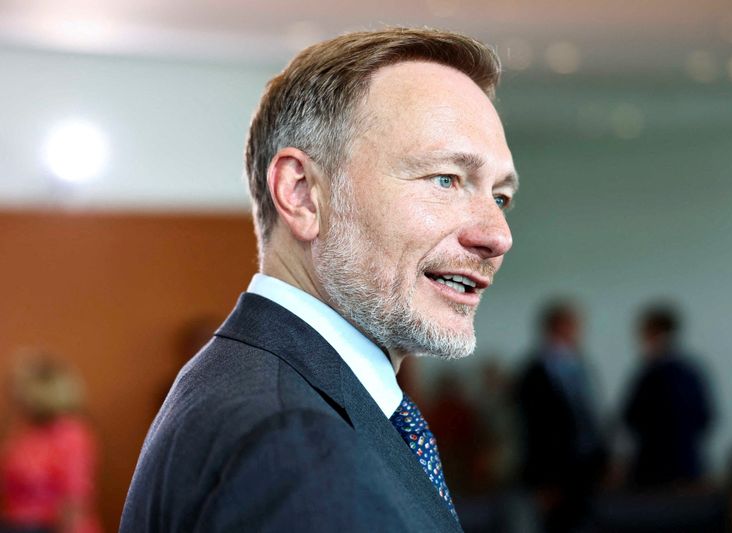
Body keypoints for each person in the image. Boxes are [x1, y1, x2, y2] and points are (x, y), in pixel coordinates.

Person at [121, 27, 517, 532]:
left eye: (500, 196)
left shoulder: (251, 384)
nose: (497, 235)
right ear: (302, 193)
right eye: (446, 179)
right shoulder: (292, 443)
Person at [517, 299, 607, 533]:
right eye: (572, 325)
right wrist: (543, 480)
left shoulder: (581, 366)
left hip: (585, 469)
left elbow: (590, 416)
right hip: (554, 475)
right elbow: (534, 430)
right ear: (556, 327)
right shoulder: (534, 373)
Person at [0, 352, 101, 533]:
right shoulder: (25, 430)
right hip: (16, 524)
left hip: (51, 527)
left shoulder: (70, 433)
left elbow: (74, 498)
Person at [622, 302, 714, 488]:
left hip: (654, 469)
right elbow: (706, 416)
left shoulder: (652, 374)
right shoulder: (691, 371)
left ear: (654, 333)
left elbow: (632, 416)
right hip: (687, 465)